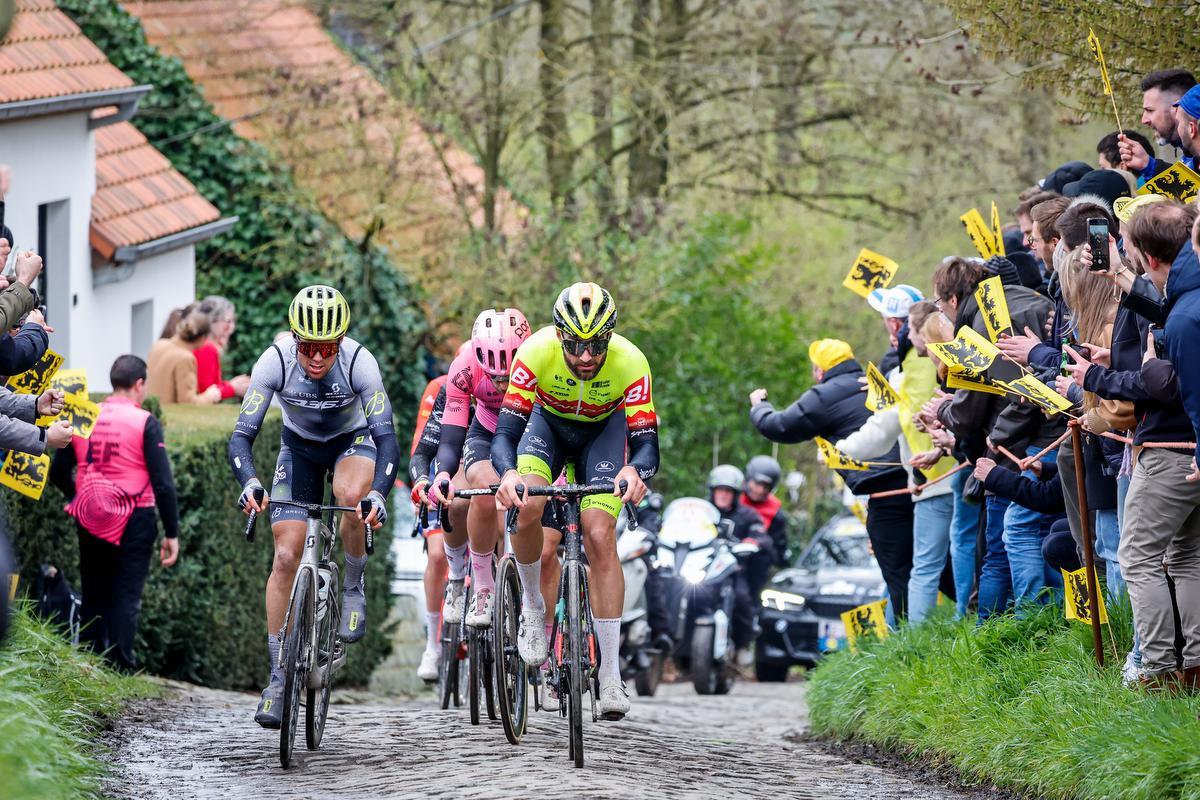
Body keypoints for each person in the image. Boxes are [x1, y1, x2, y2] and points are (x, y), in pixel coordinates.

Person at [229, 285, 398, 727]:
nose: (317, 358)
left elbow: (387, 439)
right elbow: (241, 437)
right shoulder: (275, 360)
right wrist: (249, 481)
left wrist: (378, 492)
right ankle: (278, 676)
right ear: (294, 338)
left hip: (353, 441)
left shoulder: (361, 363)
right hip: (298, 448)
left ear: (340, 341)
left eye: (326, 348)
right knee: (285, 554)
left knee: (348, 494)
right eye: (308, 347)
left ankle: (353, 586)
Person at [492, 282, 658, 720]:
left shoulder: (632, 362)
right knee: (527, 506)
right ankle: (532, 606)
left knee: (600, 535)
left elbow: (646, 445)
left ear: (610, 338)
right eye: (576, 345)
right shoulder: (535, 352)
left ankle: (609, 675)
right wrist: (508, 475)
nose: (586, 357)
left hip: (602, 434)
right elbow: (506, 433)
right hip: (545, 427)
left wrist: (635, 472)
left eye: (597, 345)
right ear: (560, 334)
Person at [749, 338, 913, 619]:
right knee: (928, 564)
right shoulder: (872, 383)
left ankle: (911, 645)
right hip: (914, 480)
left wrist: (759, 405)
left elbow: (778, 426)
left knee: (898, 574)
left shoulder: (824, 396)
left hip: (885, 493)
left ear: (820, 370)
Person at [48, 355, 179, 672]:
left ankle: (90, 661)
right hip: (134, 516)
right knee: (126, 593)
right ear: (139, 384)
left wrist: (79, 497)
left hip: (91, 513)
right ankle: (121, 664)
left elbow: (58, 472)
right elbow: (162, 483)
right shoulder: (144, 421)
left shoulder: (86, 416)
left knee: (94, 589)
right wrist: (172, 532)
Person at [838, 288, 959, 624]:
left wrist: (841, 451)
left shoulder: (906, 370)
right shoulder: (949, 358)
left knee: (924, 567)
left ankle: (913, 643)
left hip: (933, 481)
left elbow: (885, 426)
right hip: (963, 472)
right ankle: (976, 622)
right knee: (967, 556)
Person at [429, 308, 532, 630]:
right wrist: (443, 473)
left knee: (537, 500)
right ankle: (484, 586)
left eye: (509, 377)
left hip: (532, 431)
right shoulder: (463, 368)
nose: (502, 386)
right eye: (495, 377)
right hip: (486, 433)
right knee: (484, 493)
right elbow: (451, 437)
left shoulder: (539, 360)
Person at [706, 464, 771, 665]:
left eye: (728, 491)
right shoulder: (702, 511)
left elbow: (761, 535)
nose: (723, 495)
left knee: (742, 599)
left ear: (735, 494)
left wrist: (753, 541)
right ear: (712, 491)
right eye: (720, 490)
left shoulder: (748, 515)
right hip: (702, 569)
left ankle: (743, 642)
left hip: (732, 571)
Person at [1118, 69, 1198, 180]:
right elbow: (1189, 190)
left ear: (1177, 107)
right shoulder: (1190, 155)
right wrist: (1148, 165)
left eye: (1150, 110)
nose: (1144, 120)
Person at [146, 305, 222, 405]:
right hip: (168, 416)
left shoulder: (160, 344)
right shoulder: (185, 358)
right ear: (203, 337)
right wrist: (209, 396)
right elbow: (187, 402)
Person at [195, 296, 250, 400]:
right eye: (228, 321)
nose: (231, 328)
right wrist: (232, 387)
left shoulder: (204, 345)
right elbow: (207, 394)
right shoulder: (207, 348)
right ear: (212, 321)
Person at [741, 454, 791, 565]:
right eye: (757, 483)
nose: (760, 490)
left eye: (766, 486)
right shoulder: (732, 499)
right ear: (748, 479)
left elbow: (779, 553)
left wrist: (761, 544)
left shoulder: (776, 514)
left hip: (756, 566)